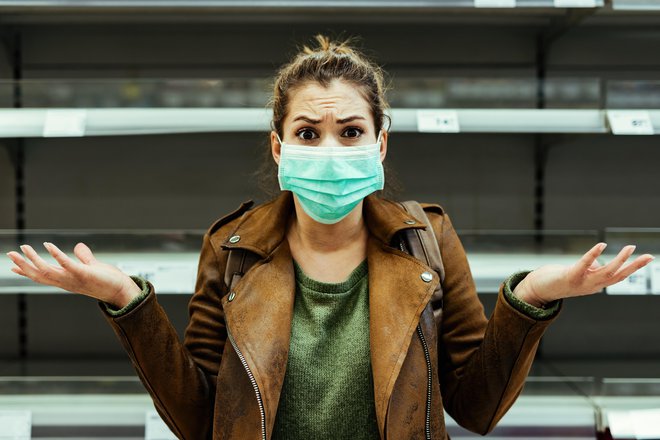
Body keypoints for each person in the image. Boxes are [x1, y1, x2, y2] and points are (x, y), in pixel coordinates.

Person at [5, 34, 655, 440]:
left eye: (350, 131)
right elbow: (201, 420)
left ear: (380, 141)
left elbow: (476, 409)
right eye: (308, 134)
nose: (329, 148)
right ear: (279, 147)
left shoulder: (428, 240)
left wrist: (529, 299)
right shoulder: (231, 249)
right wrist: (127, 300)